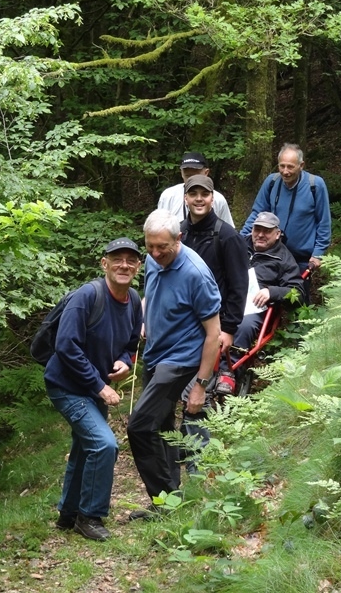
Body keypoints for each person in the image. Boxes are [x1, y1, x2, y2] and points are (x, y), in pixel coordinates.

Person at [44, 238, 143, 541]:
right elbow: (66, 346)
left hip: (93, 387)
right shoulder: (88, 296)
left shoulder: (135, 300)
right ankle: (90, 516)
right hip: (67, 385)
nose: (124, 265)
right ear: (105, 264)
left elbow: (130, 345)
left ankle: (69, 513)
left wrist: (125, 362)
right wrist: (100, 387)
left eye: (130, 260)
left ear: (138, 266)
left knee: (85, 447)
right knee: (104, 445)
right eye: (117, 259)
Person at [127, 209, 221, 520]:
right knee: (163, 428)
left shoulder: (195, 273)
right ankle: (171, 502)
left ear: (178, 239)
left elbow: (213, 334)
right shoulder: (154, 261)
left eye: (161, 247)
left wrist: (201, 386)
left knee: (139, 426)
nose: (154, 254)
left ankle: (160, 500)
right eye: (149, 246)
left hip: (179, 363)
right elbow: (151, 296)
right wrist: (143, 316)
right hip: (155, 355)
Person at [224, 212, 305, 389]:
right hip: (228, 297)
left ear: (277, 234)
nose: (260, 234)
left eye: (266, 231)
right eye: (257, 229)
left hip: (254, 307)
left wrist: (272, 291)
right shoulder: (238, 244)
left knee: (244, 326)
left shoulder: (284, 258)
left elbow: (298, 292)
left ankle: (227, 373)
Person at [241, 143, 331, 301]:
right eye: (281, 166)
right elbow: (257, 212)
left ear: (301, 165)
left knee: (297, 298)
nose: (285, 171)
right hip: (274, 254)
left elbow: (323, 221)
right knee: (269, 296)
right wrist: (240, 239)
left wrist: (318, 253)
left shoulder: (315, 185)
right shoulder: (271, 182)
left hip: (302, 256)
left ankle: (301, 325)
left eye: (290, 167)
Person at [181, 174, 248, 355]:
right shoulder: (178, 233)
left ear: (212, 198)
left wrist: (228, 328)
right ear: (185, 198)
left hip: (214, 321)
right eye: (193, 194)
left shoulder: (228, 237)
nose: (199, 199)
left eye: (205, 194)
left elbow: (239, 286)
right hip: (181, 320)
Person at [158, 151, 234, 225]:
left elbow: (229, 231)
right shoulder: (168, 196)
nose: (192, 180)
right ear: (181, 173)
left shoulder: (218, 199)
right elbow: (159, 228)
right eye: (188, 176)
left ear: (206, 172)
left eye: (195, 176)